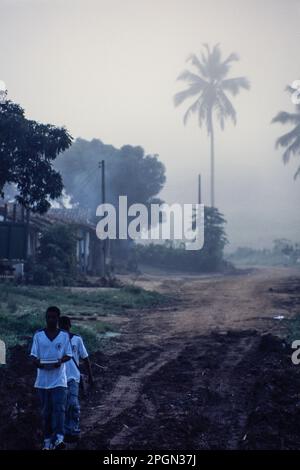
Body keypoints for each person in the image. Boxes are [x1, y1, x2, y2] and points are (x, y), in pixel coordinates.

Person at [30, 306, 72, 450]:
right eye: (48, 317)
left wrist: (60, 361)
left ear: (58, 319)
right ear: (45, 318)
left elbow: (68, 354)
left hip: (59, 379)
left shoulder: (64, 335)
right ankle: (47, 440)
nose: (51, 320)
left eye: (54, 317)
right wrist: (37, 363)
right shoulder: (38, 335)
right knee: (46, 412)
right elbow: (33, 356)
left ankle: (59, 438)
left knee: (59, 409)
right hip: (42, 381)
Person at [58, 315, 94, 443]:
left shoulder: (77, 339)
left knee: (73, 405)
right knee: (64, 406)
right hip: (59, 379)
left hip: (73, 378)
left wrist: (90, 376)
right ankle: (64, 431)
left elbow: (86, 359)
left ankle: (72, 430)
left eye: (64, 327)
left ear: (69, 326)